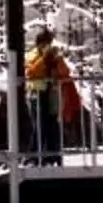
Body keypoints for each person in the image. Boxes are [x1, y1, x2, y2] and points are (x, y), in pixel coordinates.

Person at [25, 30, 75, 164]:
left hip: (52, 94)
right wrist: (44, 59)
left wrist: (57, 60)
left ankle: (53, 155)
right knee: (39, 126)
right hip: (37, 93)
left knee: (53, 125)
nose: (46, 46)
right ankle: (34, 155)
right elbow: (31, 72)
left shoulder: (55, 56)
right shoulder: (32, 56)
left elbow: (65, 72)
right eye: (44, 44)